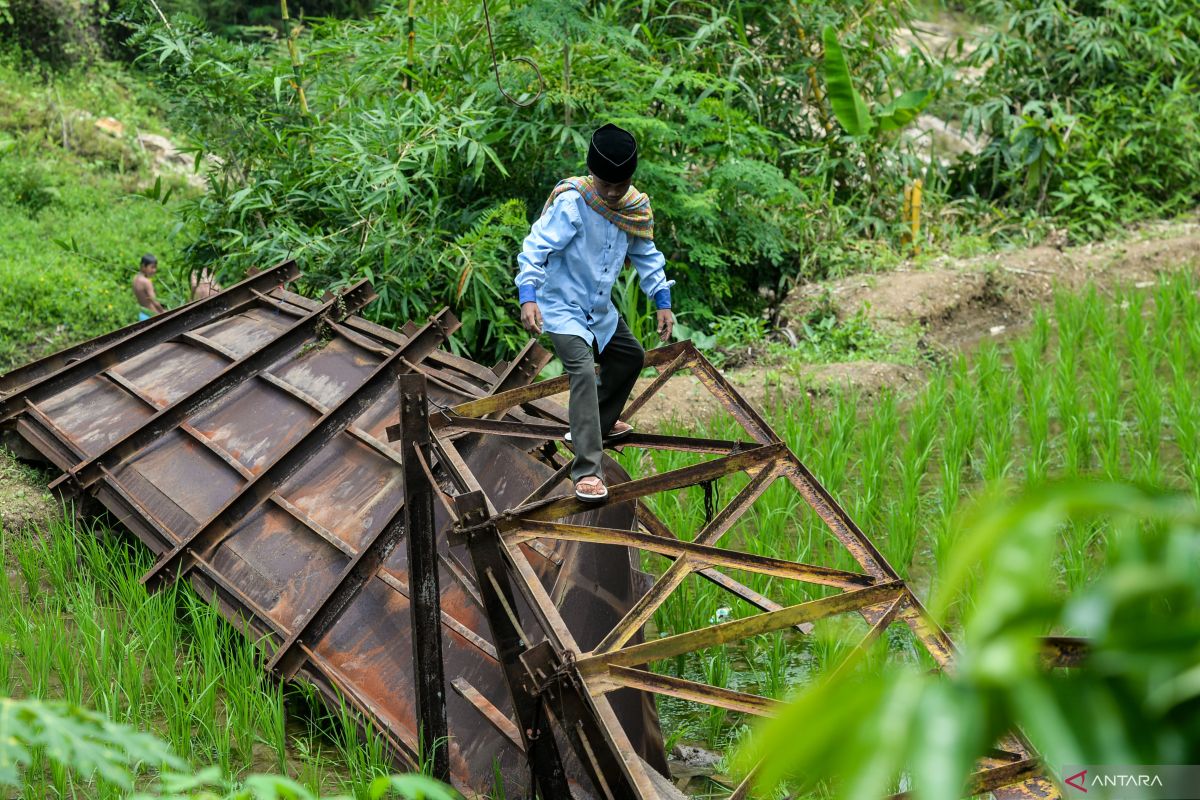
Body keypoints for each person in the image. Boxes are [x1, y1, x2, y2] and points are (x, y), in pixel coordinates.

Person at [514, 123, 675, 502]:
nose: (614, 193)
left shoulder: (633, 208)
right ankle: (587, 469)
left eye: (620, 186)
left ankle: (593, 425)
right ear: (594, 176)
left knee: (630, 356)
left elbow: (647, 257)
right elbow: (535, 248)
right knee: (583, 371)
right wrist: (528, 295)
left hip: (599, 313)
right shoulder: (573, 202)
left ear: (631, 178)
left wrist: (662, 302)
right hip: (562, 307)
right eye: (606, 186)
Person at [132, 254, 165, 320]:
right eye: (152, 267)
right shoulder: (146, 282)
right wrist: (163, 312)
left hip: (143, 314)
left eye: (155, 267)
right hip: (152, 315)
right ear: (143, 266)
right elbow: (154, 301)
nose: (154, 270)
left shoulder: (135, 279)